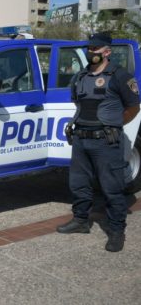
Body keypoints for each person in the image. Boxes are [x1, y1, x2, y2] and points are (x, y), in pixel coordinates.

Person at [57, 32, 140, 252]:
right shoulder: (81, 76)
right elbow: (78, 103)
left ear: (107, 51)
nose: (91, 52)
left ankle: (116, 231)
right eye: (89, 48)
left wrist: (114, 124)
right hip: (81, 139)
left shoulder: (121, 76)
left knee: (112, 188)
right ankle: (81, 220)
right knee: (79, 184)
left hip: (106, 141)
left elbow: (133, 107)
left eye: (95, 49)